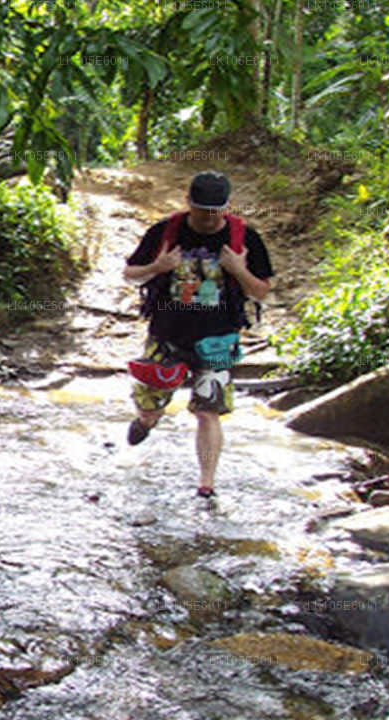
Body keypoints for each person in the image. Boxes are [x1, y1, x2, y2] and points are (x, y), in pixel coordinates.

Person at [121, 171, 274, 498]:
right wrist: (156, 268)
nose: (208, 217)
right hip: (166, 334)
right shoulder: (165, 232)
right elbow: (130, 274)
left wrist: (238, 269)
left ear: (226, 207)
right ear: (188, 202)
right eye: (202, 209)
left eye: (215, 210)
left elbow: (261, 292)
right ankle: (146, 421)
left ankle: (207, 484)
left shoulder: (245, 238)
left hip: (217, 339)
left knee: (209, 411)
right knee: (149, 407)